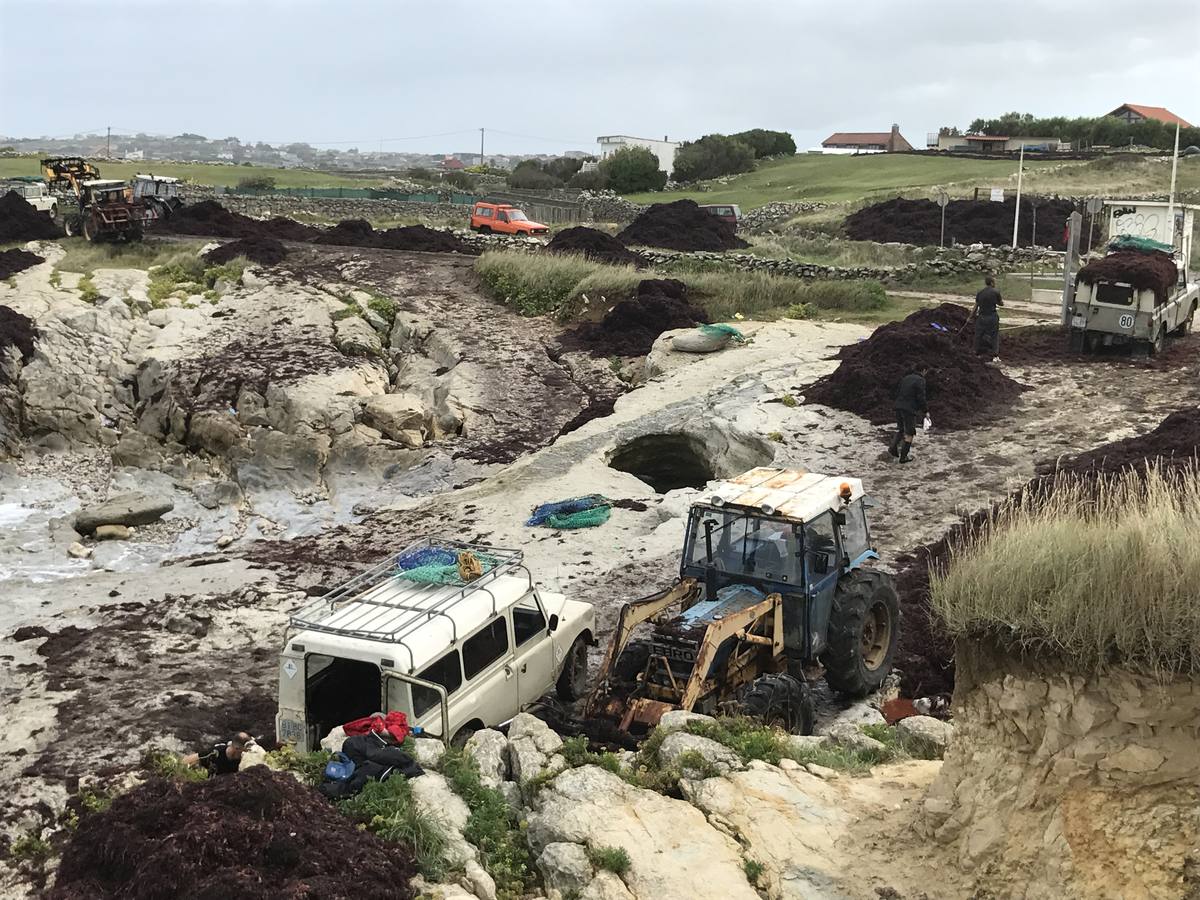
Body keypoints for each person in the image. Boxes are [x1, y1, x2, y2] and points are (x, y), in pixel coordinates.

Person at [890, 368, 928, 464]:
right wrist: (925, 411)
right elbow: (921, 397)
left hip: (898, 406)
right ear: (923, 370)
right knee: (910, 432)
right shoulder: (921, 380)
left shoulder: (905, 378)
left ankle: (892, 447)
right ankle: (904, 457)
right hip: (909, 409)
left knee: (901, 429)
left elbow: (896, 392)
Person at [183, 732, 251, 776]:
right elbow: (187, 760)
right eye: (244, 750)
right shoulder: (216, 753)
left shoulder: (245, 761)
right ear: (237, 748)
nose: (246, 753)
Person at [973, 276, 1003, 359]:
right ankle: (995, 354)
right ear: (992, 283)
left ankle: (976, 352)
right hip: (992, 316)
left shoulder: (980, 292)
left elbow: (976, 306)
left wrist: (971, 317)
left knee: (978, 335)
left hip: (982, 316)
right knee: (994, 335)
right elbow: (1001, 303)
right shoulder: (996, 292)